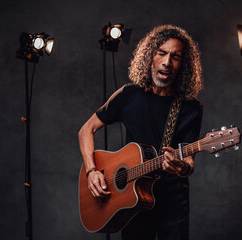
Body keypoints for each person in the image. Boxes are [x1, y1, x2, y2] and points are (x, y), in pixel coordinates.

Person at [78, 24, 203, 240]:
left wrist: (182, 167)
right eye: (161, 53)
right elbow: (86, 130)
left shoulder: (191, 108)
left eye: (175, 57)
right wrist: (91, 171)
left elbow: (189, 160)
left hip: (172, 204)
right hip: (132, 201)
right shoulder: (128, 95)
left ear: (183, 65)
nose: (167, 62)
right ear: (150, 56)